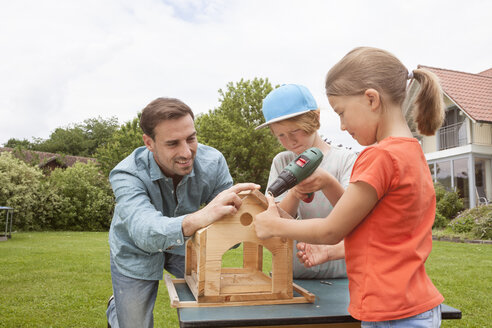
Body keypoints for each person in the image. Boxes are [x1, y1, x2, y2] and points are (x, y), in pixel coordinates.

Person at [254, 47, 444, 327]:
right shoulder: (410, 150)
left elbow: (332, 229)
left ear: (371, 99)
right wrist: (328, 185)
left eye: (342, 112)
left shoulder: (379, 156)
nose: (341, 126)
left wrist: (272, 225)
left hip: (392, 313)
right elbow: (370, 224)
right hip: (406, 305)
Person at [106, 97, 259, 328]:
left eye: (191, 139)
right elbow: (144, 232)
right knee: (134, 323)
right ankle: (117, 307)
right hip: (135, 249)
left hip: (185, 246)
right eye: (172, 143)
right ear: (149, 142)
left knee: (211, 308)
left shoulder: (214, 162)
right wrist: (203, 215)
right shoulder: (126, 174)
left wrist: (243, 216)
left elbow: (231, 231)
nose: (187, 152)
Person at [256, 84, 357, 278]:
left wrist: (328, 183)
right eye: (281, 135)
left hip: (341, 274)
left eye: (295, 131)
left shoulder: (345, 159)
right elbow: (275, 220)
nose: (290, 141)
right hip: (293, 275)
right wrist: (294, 192)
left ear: (316, 118)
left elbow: (352, 214)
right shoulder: (282, 162)